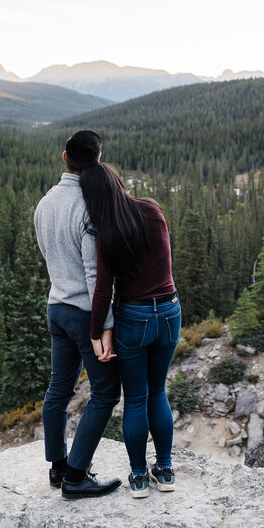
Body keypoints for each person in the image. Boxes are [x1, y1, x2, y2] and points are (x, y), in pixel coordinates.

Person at [83, 158, 180, 499]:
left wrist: (96, 332)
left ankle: (139, 477)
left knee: (136, 399)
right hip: (169, 312)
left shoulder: (105, 231)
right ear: (118, 183)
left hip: (134, 318)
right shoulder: (152, 210)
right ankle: (165, 471)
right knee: (159, 392)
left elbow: (102, 289)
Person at [33, 130, 122, 499]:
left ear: (64, 156)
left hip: (55, 306)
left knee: (58, 389)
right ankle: (77, 475)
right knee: (105, 393)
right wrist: (104, 327)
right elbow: (93, 274)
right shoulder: (89, 207)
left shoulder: (45, 202)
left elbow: (47, 254)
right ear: (96, 162)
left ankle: (58, 468)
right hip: (83, 312)